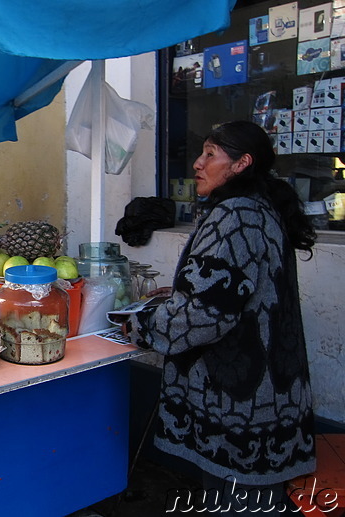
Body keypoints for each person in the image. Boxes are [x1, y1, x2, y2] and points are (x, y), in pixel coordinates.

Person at [126, 121, 316, 515]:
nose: (198, 162)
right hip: (268, 397)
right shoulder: (260, 210)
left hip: (242, 402)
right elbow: (241, 290)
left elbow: (206, 315)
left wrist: (142, 327)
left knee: (239, 504)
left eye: (211, 154)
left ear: (241, 163)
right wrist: (179, 294)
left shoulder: (235, 217)